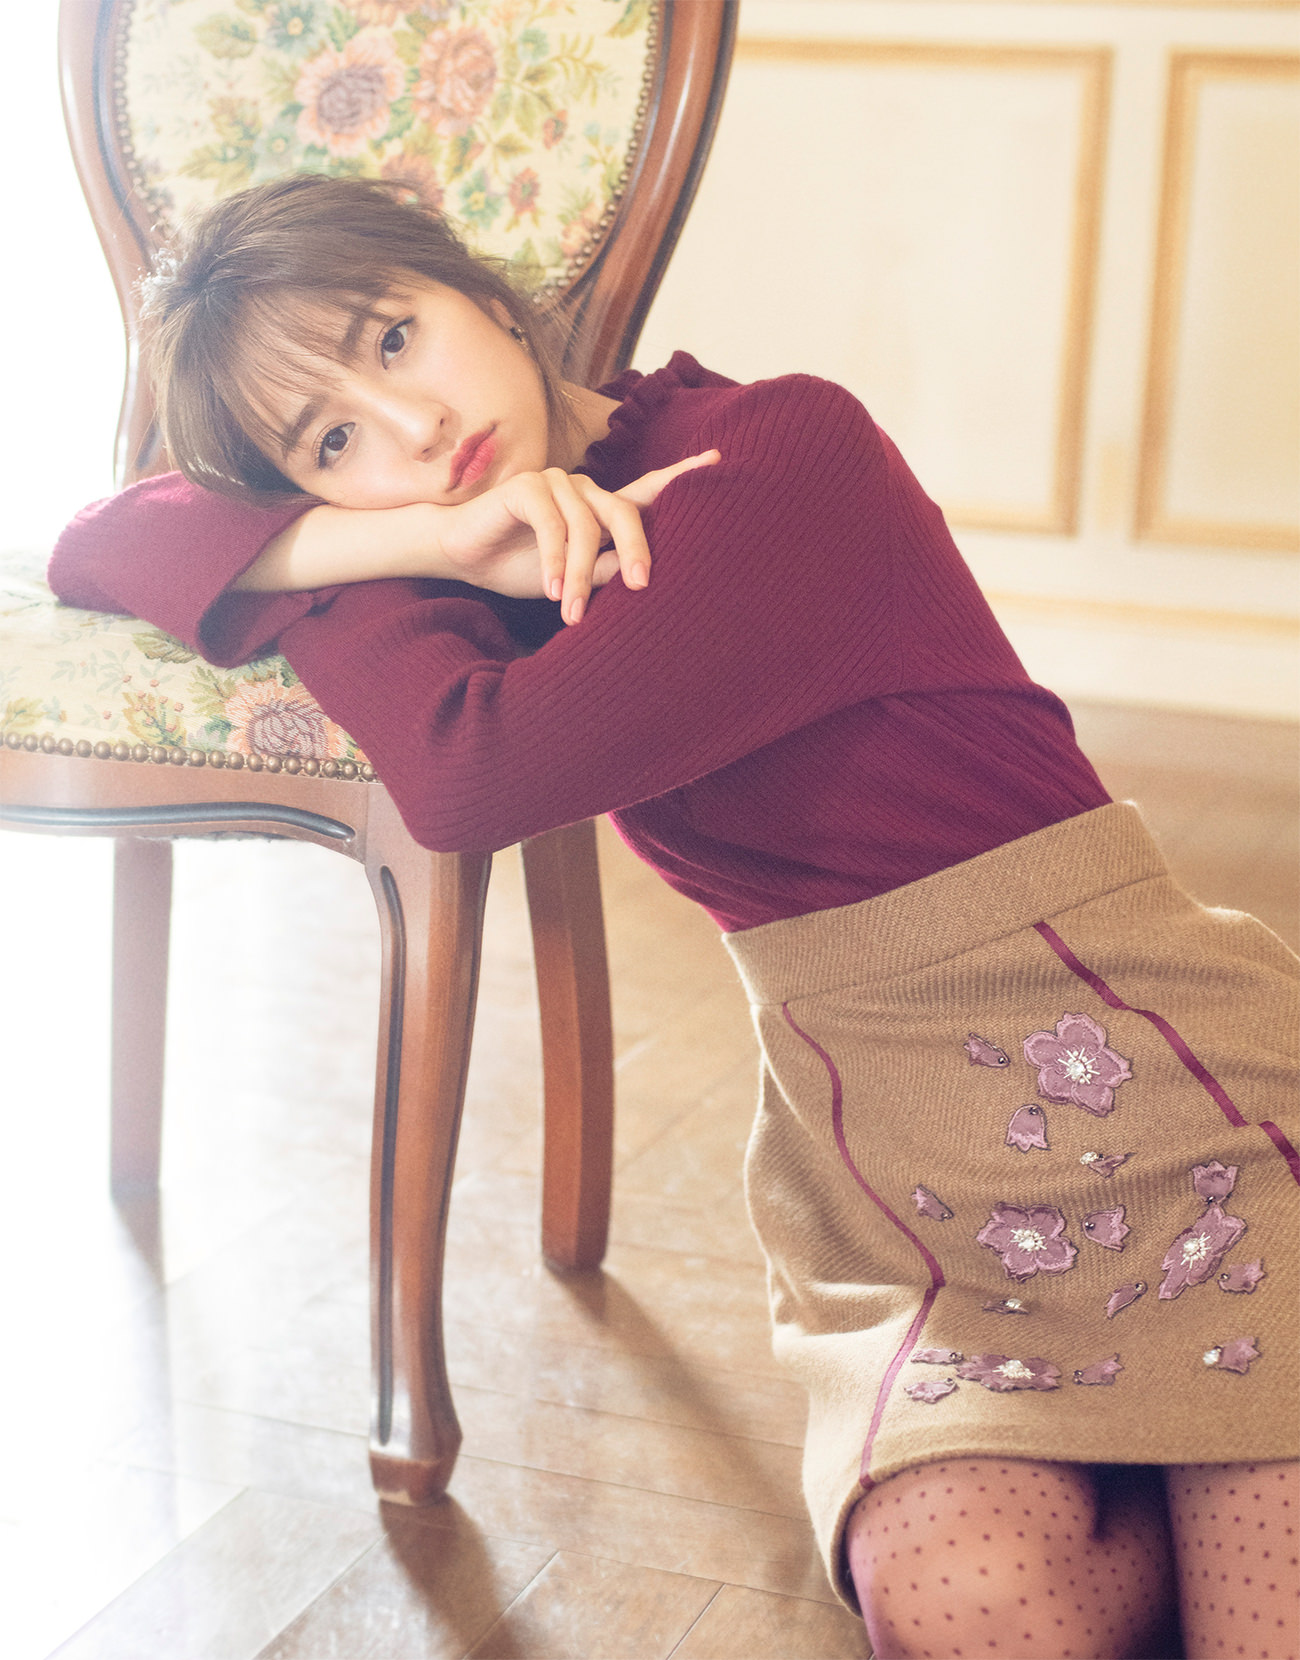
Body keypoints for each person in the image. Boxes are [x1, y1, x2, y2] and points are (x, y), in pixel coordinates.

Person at [49, 175, 1298, 1660]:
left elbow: (472, 775)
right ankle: (1156, 1448)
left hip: (1165, 1083)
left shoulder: (774, 456)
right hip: (900, 1172)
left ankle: (1189, 1443)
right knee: (972, 1599)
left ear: (485, 293)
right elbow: (98, 541)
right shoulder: (480, 552)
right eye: (332, 443)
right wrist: (413, 544)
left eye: (392, 338)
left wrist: (358, 542)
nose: (414, 429)